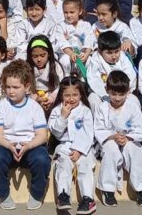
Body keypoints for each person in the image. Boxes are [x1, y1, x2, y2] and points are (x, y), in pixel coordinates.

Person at [0, 60, 52, 210]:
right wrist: (9, 145)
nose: (11, 91)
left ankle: (37, 193)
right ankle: (2, 193)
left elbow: (42, 135)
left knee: (42, 159)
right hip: (7, 147)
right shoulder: (1, 106)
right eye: (8, 87)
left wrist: (29, 145)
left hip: (30, 147)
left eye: (16, 87)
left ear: (27, 87)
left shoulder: (34, 107)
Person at [92, 71, 142, 206]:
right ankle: (107, 190)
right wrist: (112, 137)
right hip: (109, 141)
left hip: (129, 140)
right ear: (106, 90)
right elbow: (98, 129)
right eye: (113, 94)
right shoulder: (102, 107)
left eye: (121, 94)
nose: (117, 98)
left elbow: (140, 129)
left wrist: (128, 138)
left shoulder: (132, 107)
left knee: (135, 152)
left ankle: (141, 189)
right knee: (111, 149)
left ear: (128, 92)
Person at [49, 76, 97, 214]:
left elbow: (88, 133)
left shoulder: (85, 111)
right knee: (63, 165)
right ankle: (63, 196)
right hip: (63, 146)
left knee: (85, 166)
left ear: (81, 94)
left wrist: (79, 150)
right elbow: (56, 133)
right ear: (61, 95)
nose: (71, 99)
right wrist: (63, 117)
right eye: (67, 95)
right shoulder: (57, 110)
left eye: (75, 95)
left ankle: (88, 199)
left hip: (84, 148)